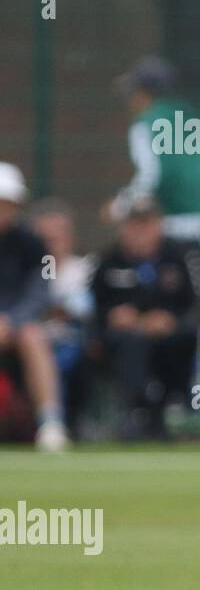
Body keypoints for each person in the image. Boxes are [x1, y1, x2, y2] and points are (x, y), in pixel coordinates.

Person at [90, 195, 197, 440]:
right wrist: (114, 316)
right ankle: (134, 411)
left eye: (146, 224)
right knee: (131, 344)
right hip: (122, 340)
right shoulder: (108, 260)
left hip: (167, 339)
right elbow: (96, 308)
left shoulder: (177, 258)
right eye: (133, 224)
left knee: (185, 339)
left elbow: (192, 305)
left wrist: (168, 319)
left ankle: (167, 409)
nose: (140, 231)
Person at [108, 56, 200, 242]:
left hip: (176, 227)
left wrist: (120, 206)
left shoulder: (145, 124)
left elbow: (151, 176)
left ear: (142, 94)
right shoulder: (192, 117)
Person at [0, 163, 67, 450]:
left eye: (9, 204)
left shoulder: (32, 244)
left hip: (17, 329)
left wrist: (11, 322)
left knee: (33, 336)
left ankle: (50, 423)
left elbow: (39, 292)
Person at [29, 198, 95, 436]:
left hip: (74, 343)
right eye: (45, 237)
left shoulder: (86, 268)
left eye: (58, 236)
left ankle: (62, 423)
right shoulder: (24, 271)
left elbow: (86, 311)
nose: (51, 243)